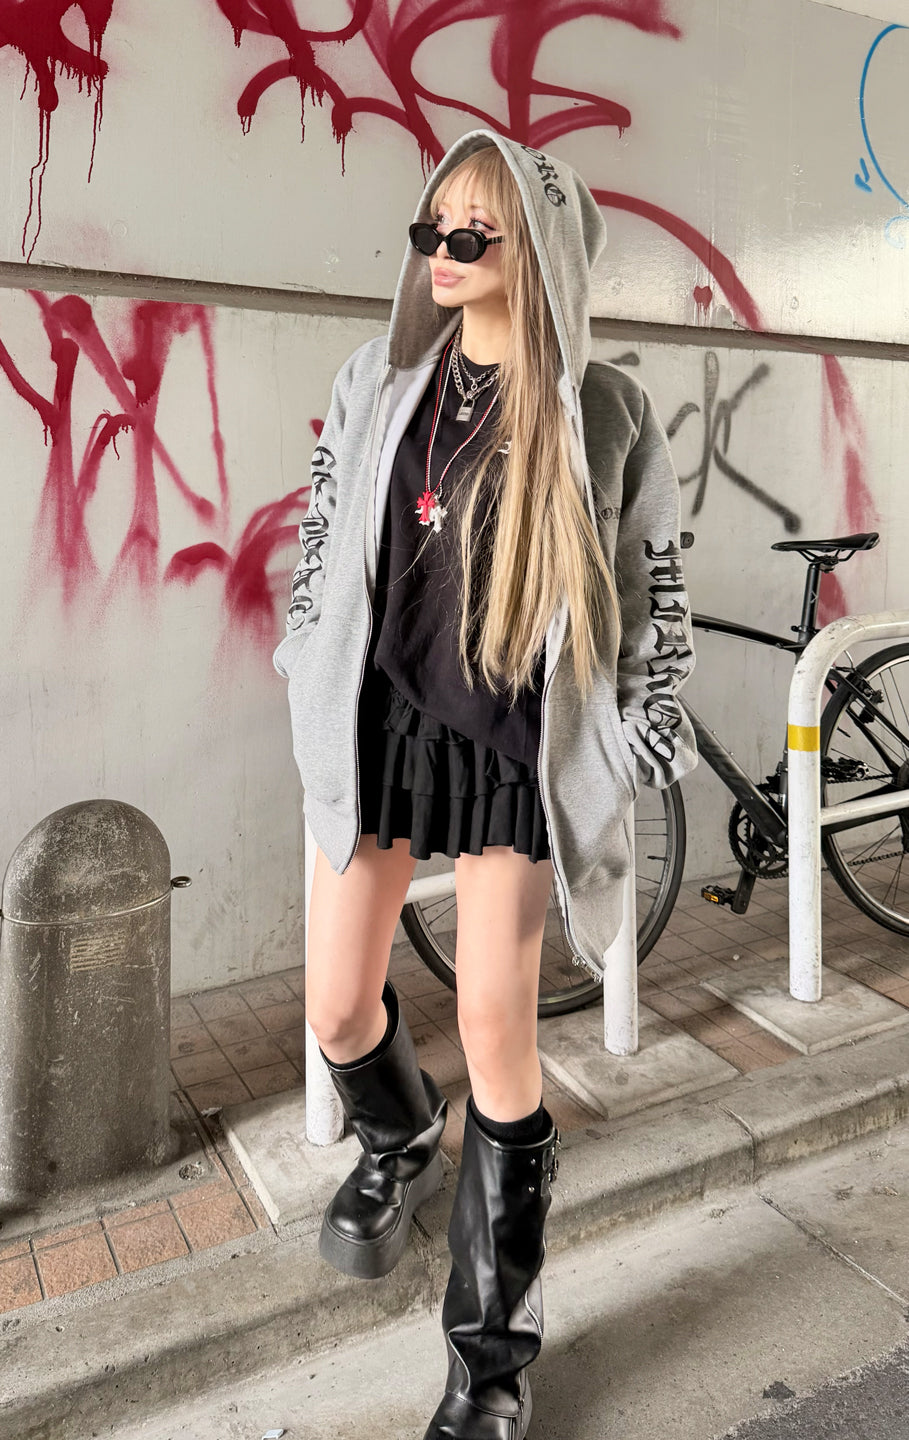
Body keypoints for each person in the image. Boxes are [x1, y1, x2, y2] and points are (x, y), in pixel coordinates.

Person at [273, 130, 697, 1440]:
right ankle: (399, 1140)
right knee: (337, 1007)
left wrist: (649, 713)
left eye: (473, 232)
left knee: (500, 1031)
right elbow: (323, 528)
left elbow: (652, 587)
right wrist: (303, 644)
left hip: (515, 738)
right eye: (431, 230)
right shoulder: (377, 378)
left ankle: (490, 1361)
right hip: (382, 724)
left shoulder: (606, 412)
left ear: (539, 248)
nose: (442, 254)